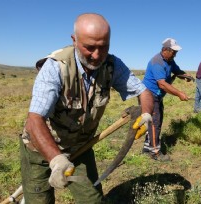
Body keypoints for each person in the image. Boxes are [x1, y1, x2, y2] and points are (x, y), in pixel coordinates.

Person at [20, 13, 153, 203]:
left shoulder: (112, 65)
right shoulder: (56, 67)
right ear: (74, 40)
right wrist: (56, 160)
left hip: (80, 148)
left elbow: (143, 92)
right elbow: (35, 120)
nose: (97, 55)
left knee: (93, 201)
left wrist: (147, 113)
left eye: (103, 47)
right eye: (89, 47)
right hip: (39, 148)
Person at [142, 38, 193, 161]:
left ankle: (147, 148)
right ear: (165, 50)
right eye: (173, 51)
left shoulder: (170, 61)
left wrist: (185, 75)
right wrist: (179, 93)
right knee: (155, 122)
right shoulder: (157, 62)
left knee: (154, 122)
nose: (175, 54)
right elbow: (162, 84)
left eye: (176, 52)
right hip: (149, 95)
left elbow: (177, 71)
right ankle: (155, 152)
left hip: (158, 96)